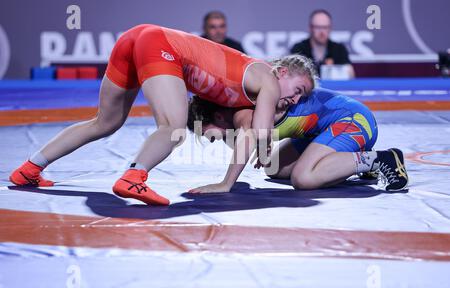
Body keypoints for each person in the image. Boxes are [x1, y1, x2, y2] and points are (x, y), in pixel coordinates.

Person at [9, 23, 314, 206]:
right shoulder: (270, 80)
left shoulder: (256, 86)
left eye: (301, 97)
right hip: (161, 45)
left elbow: (250, 132)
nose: (294, 99)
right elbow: (260, 132)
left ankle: (29, 169)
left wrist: (256, 150)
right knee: (173, 127)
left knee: (105, 122)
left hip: (137, 37)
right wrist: (243, 169)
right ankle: (134, 177)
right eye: (298, 89)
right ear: (282, 71)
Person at [187, 87, 408, 193]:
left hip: (353, 121)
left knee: (303, 179)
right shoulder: (243, 111)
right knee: (274, 169)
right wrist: (263, 147)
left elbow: (245, 143)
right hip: (322, 130)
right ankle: (354, 162)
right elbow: (257, 139)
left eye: (209, 134)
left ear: (217, 115)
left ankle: (382, 159)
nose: (215, 141)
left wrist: (225, 184)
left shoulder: (242, 115)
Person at [290, 9, 355, 78]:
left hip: (333, 88)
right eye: (318, 27)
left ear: (330, 28)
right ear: (310, 28)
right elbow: (292, 77)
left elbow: (350, 76)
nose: (322, 32)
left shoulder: (339, 49)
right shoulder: (298, 49)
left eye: (325, 27)